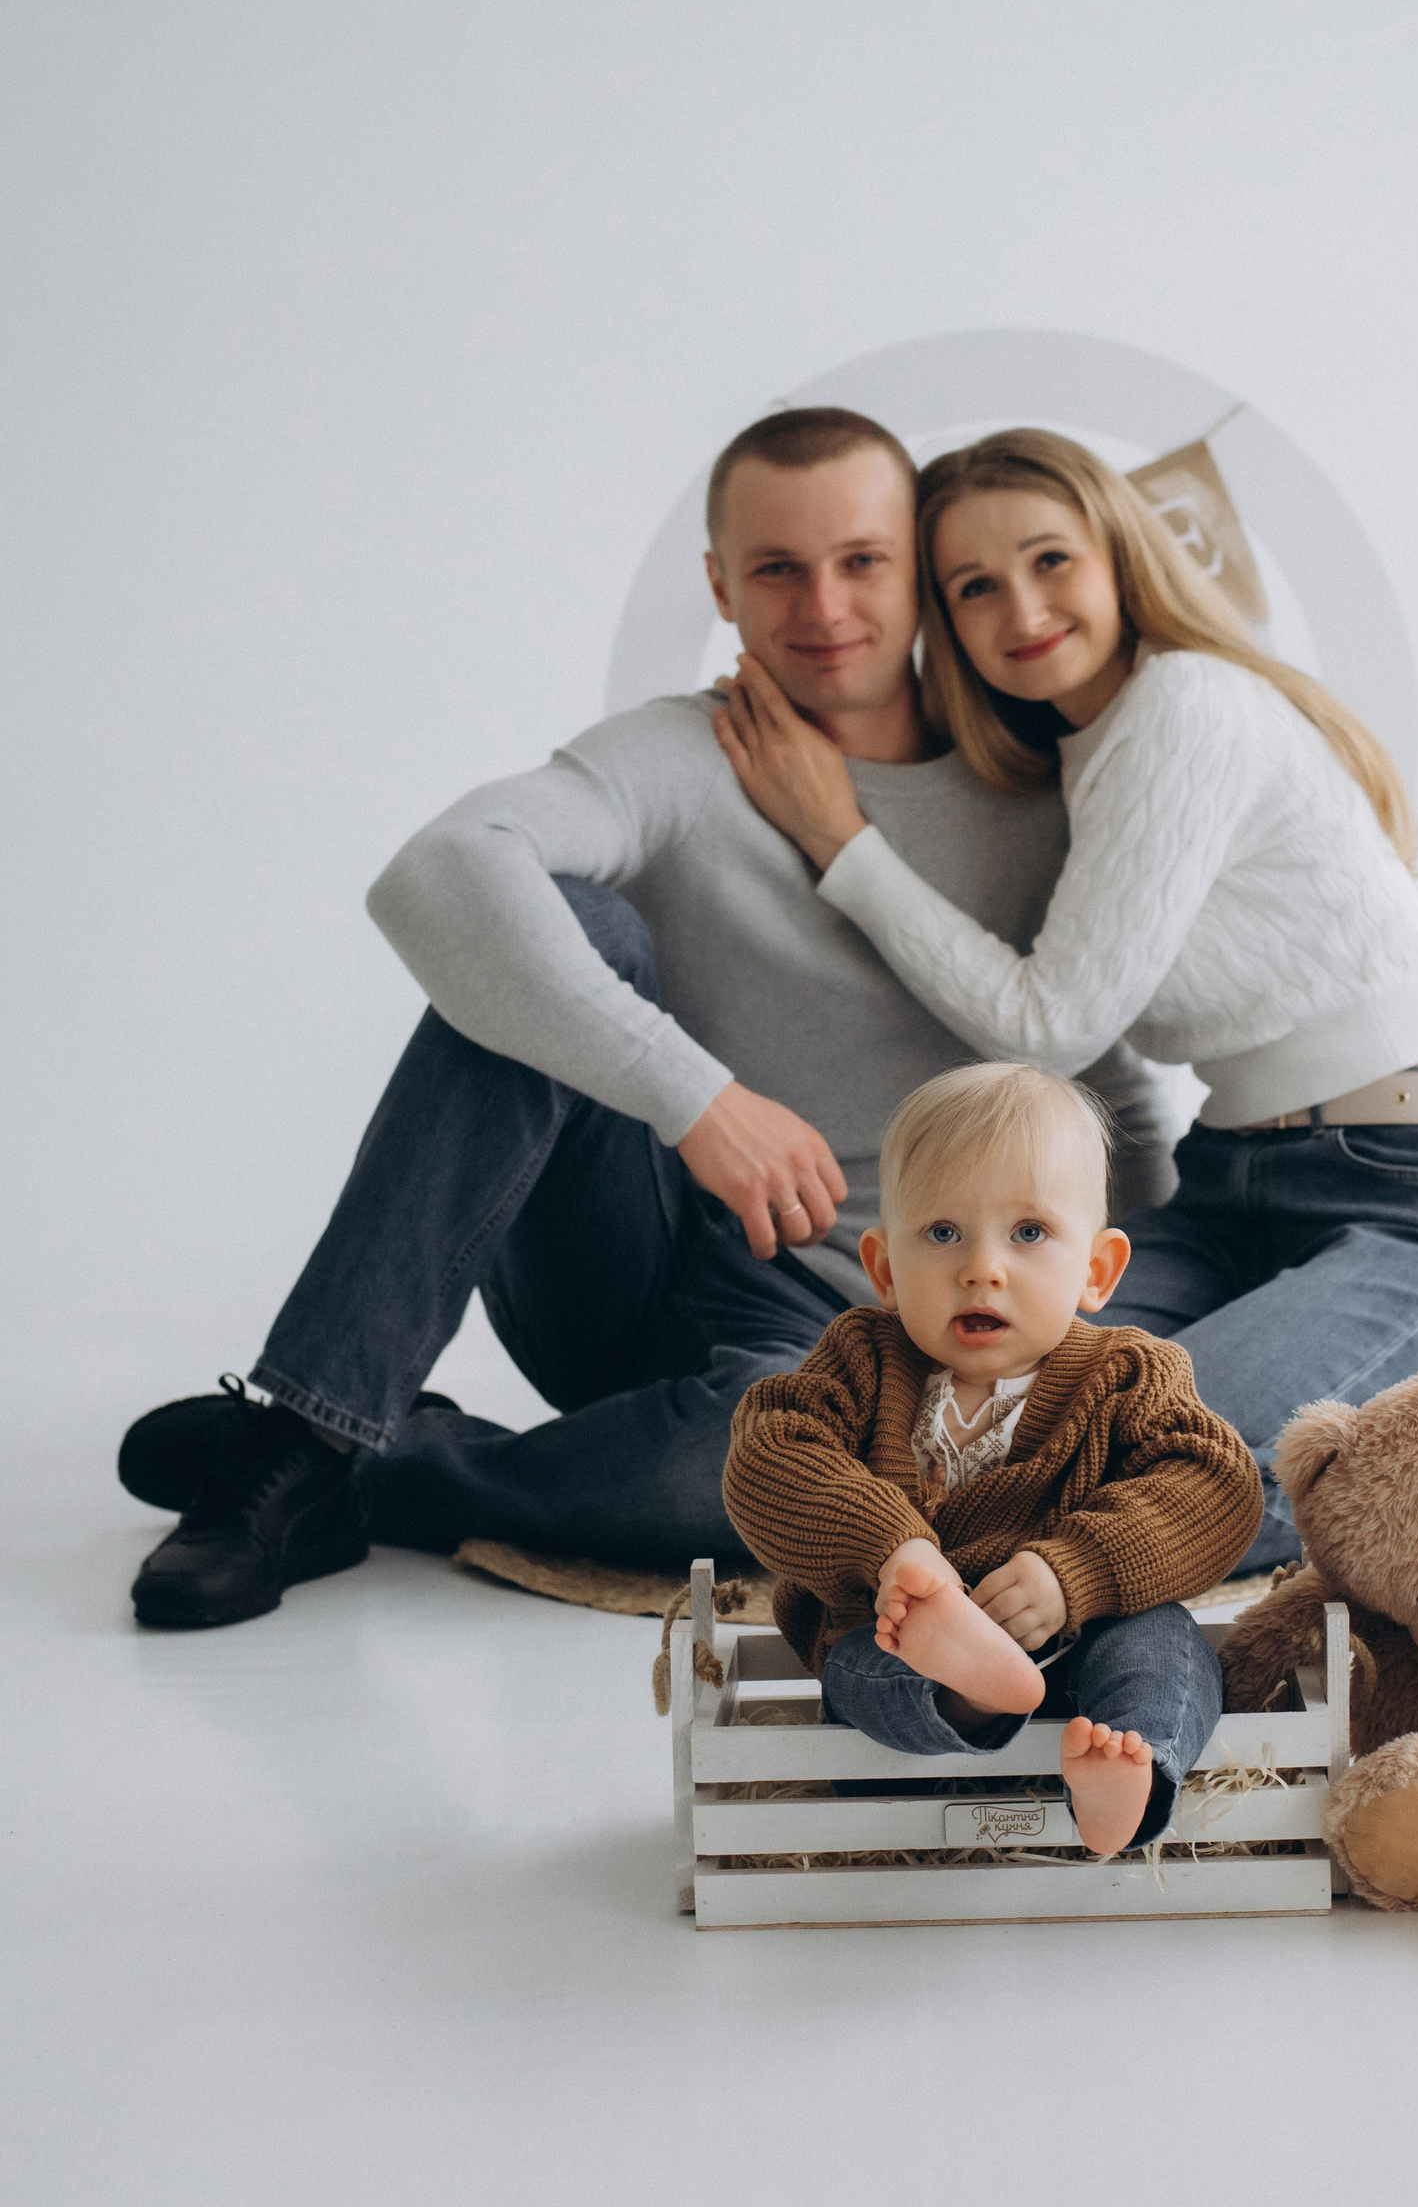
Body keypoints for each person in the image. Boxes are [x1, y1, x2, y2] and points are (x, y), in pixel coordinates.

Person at [118, 410, 1177, 1630]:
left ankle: (375, 1462)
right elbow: (437, 871)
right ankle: (304, 1428)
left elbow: (1093, 1062)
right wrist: (698, 1100)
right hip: (644, 1267)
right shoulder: (686, 756)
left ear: (923, 573)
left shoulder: (1037, 781)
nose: (823, 606)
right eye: (777, 569)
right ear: (721, 586)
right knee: (552, 930)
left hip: (870, 1350)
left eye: (862, 562)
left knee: (768, 1489)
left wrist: (1121, 1314)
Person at [713, 425, 1418, 1560]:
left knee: (1168, 1470)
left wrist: (837, 838)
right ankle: (1387, 1398)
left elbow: (1051, 1025)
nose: (1022, 608)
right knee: (968, 1417)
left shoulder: (1185, 704)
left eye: (1051, 559)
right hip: (1232, 1181)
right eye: (974, 586)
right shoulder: (1080, 755)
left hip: (1411, 1190)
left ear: (1119, 559)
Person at [723, 1063, 1263, 1852]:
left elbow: (1214, 1484)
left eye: (1029, 1233)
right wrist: (894, 1553)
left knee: (1164, 1646)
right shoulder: (861, 1358)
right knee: (859, 1667)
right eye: (943, 1233)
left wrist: (1074, 1571)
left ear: (1096, 1271)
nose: (982, 1267)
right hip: (905, 1642)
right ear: (885, 1271)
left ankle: (1129, 1770)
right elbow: (771, 1452)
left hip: (1085, 1637)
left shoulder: (1128, 1373)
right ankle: (966, 1695)